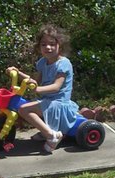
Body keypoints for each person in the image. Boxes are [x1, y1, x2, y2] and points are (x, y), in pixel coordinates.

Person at [7, 25, 79, 153]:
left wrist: (38, 90)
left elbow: (57, 87)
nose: (48, 47)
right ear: (39, 47)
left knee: (23, 109)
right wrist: (18, 73)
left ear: (60, 46)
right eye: (44, 44)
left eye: (52, 44)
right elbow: (35, 81)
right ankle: (47, 131)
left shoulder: (64, 64)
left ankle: (51, 136)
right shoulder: (42, 62)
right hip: (48, 100)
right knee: (27, 105)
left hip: (59, 103)